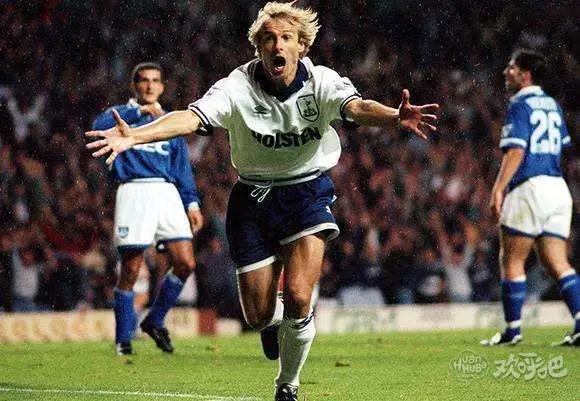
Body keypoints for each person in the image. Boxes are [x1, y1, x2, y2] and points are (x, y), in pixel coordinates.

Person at [86, 3, 438, 399]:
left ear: (302, 46)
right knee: (257, 315)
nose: (277, 45)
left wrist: (393, 116)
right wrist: (136, 135)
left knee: (300, 295)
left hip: (306, 192)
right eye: (269, 39)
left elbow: (356, 108)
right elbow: (190, 117)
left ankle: (287, 384)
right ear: (259, 48)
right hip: (252, 200)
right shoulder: (236, 86)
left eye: (286, 38)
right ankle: (272, 322)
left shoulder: (321, 82)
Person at [92, 62, 203, 355]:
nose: (150, 86)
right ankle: (123, 340)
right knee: (131, 268)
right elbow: (98, 126)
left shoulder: (169, 122)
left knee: (186, 263)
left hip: (166, 192)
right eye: (143, 80)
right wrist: (138, 113)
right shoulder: (121, 115)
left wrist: (191, 203)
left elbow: (181, 167)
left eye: (155, 80)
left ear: (162, 87)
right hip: (134, 189)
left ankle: (154, 320)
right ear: (134, 86)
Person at [481, 49, 579, 346]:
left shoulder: (520, 104)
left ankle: (512, 331)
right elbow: (561, 148)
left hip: (529, 187)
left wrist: (498, 188)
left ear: (525, 75)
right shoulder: (553, 105)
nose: (506, 72)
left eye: (511, 67)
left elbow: (517, 149)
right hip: (557, 187)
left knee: (511, 259)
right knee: (557, 262)